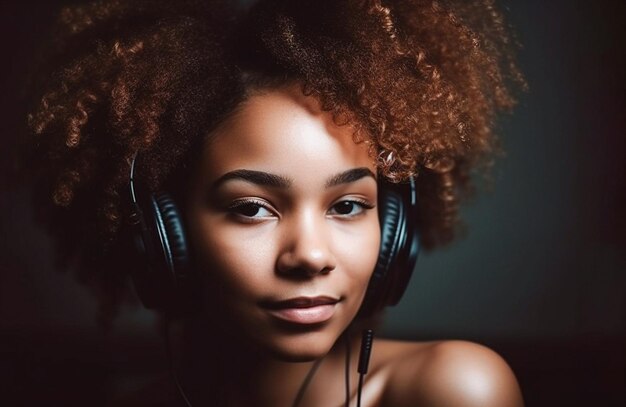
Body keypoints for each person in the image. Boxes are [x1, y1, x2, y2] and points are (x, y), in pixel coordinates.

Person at [23, 0, 526, 405]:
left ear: (393, 229)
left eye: (348, 205)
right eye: (251, 208)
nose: (310, 256)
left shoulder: (455, 389)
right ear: (161, 233)